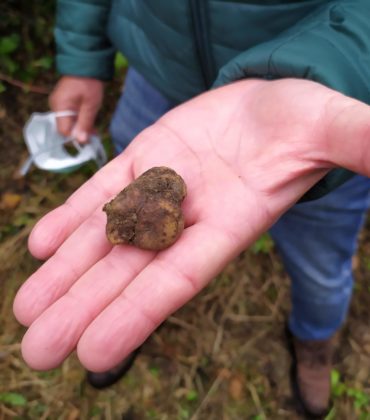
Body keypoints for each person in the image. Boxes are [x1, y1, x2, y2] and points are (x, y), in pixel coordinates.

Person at [13, 1, 370, 417]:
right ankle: (130, 320)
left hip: (318, 89)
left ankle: (314, 340)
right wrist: (81, 55)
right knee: (127, 275)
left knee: (320, 267)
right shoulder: (150, 191)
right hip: (158, 73)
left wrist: (342, 58)